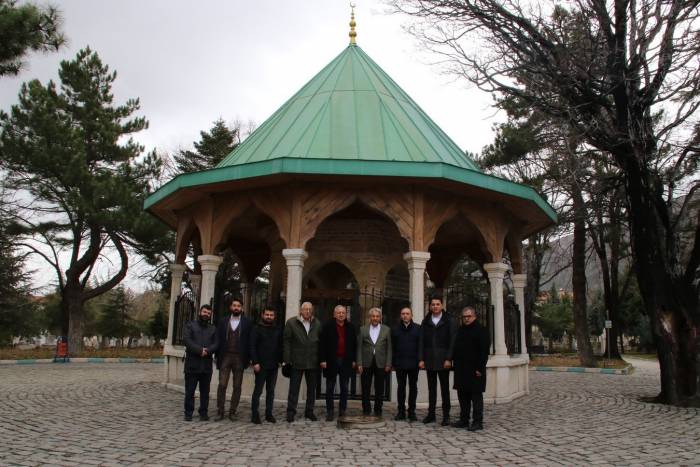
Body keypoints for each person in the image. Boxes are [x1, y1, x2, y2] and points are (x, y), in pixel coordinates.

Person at [419, 294, 456, 426]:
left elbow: (452, 340)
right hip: (429, 359)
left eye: (437, 304)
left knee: (445, 389)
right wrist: (421, 359)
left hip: (443, 360)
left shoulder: (449, 320)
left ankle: (446, 416)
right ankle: (431, 414)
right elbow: (421, 341)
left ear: (442, 305)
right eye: (433, 304)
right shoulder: (426, 320)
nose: (435, 306)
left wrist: (449, 358)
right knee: (431, 389)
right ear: (430, 306)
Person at [214, 296, 252, 421]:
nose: (236, 308)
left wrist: (249, 358)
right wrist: (216, 355)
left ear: (241, 308)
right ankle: (220, 411)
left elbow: (249, 342)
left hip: (239, 358)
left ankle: (233, 411)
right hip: (225, 356)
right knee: (222, 384)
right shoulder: (223, 321)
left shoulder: (247, 322)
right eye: (234, 305)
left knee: (237, 386)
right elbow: (218, 339)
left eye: (239, 306)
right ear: (231, 307)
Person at [452, 306, 490, 431]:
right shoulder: (461, 330)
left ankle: (478, 422)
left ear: (474, 316)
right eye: (464, 317)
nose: (466, 319)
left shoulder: (482, 330)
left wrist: (480, 368)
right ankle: (464, 420)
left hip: (475, 369)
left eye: (469, 316)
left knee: (476, 397)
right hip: (461, 369)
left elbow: (484, 351)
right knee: (462, 396)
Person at [284, 301, 321, 423]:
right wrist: (287, 360)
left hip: (312, 361)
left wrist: (320, 359)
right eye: (305, 309)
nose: (308, 311)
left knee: (311, 389)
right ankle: (291, 412)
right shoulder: (291, 323)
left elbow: (321, 342)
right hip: (296, 361)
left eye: (310, 309)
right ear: (300, 310)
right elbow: (287, 342)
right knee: (294, 388)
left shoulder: (317, 323)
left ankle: (309, 411)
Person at [319, 304, 357, 421]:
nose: (341, 314)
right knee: (330, 387)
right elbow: (322, 345)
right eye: (339, 313)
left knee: (345, 387)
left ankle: (342, 410)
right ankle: (330, 411)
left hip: (346, 361)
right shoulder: (327, 326)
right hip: (331, 361)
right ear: (334, 314)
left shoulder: (351, 327)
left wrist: (354, 360)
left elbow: (354, 345)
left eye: (343, 313)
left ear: (346, 314)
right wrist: (322, 360)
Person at [183, 304, 219, 421]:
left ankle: (203, 412)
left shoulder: (213, 328)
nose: (206, 315)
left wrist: (208, 351)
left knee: (205, 391)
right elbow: (187, 341)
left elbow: (216, 343)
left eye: (208, 313)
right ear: (200, 312)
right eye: (204, 312)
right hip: (192, 364)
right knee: (190, 391)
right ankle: (188, 413)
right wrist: (200, 350)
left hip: (206, 366)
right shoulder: (190, 325)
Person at [249, 304, 283, 424]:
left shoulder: (278, 329)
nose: (269, 317)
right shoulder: (256, 328)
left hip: (273, 365)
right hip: (260, 365)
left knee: (271, 391)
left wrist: (280, 360)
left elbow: (280, 346)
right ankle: (254, 414)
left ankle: (269, 414)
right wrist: (255, 362)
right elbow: (252, 346)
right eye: (267, 314)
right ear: (263, 315)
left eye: (271, 315)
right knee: (258, 391)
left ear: (274, 316)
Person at [357, 307, 392, 417]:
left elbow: (389, 348)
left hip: (381, 363)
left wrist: (388, 363)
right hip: (366, 362)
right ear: (370, 317)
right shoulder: (363, 329)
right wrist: (359, 363)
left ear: (380, 317)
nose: (375, 318)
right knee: (365, 387)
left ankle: (378, 409)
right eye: (373, 316)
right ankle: (366, 409)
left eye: (377, 316)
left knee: (380, 387)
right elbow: (359, 347)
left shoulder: (386, 330)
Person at [391, 306, 420, 421]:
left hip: (414, 363)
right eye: (403, 313)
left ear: (411, 315)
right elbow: (393, 347)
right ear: (400, 315)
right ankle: (401, 411)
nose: (405, 315)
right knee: (401, 388)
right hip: (400, 363)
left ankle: (412, 411)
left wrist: (420, 360)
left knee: (413, 388)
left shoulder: (418, 328)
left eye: (407, 313)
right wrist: (393, 362)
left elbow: (420, 345)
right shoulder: (395, 329)